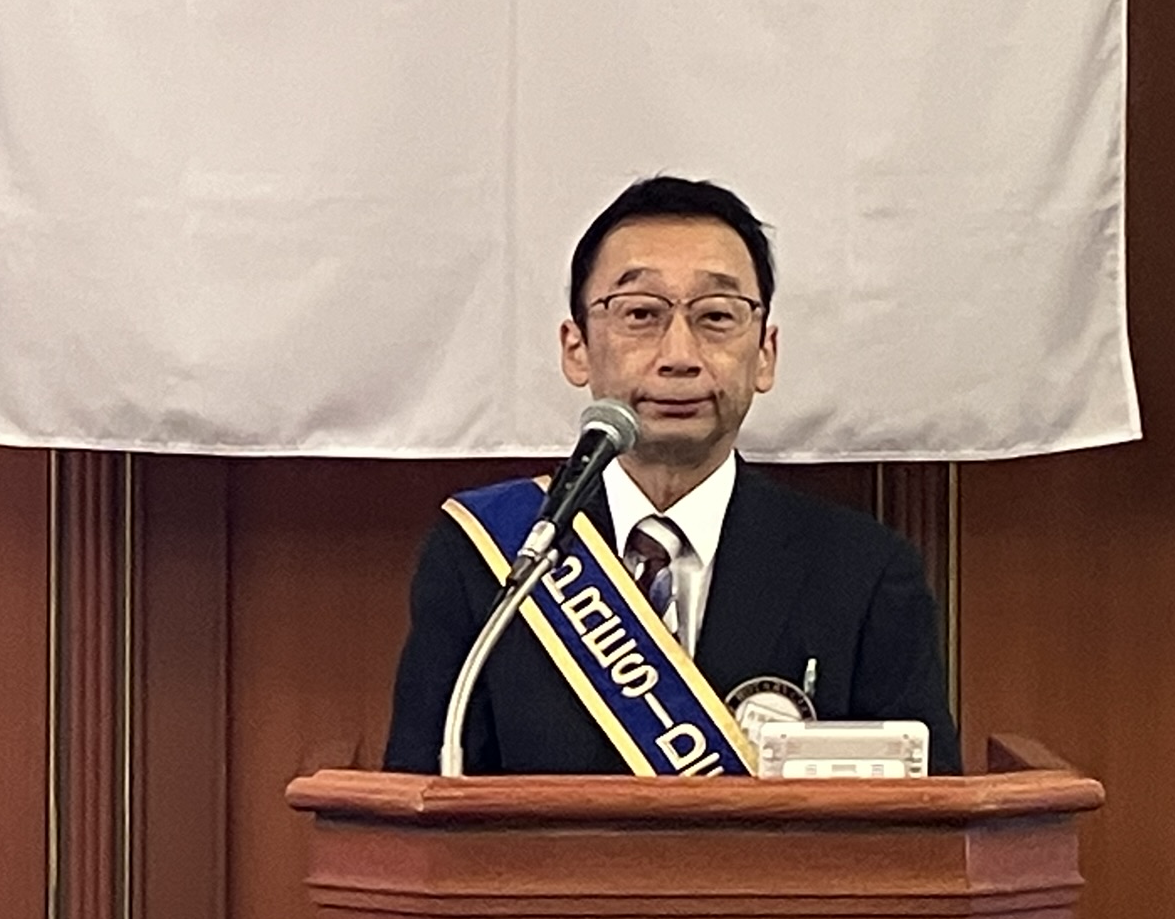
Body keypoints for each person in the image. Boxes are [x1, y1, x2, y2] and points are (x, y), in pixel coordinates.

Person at [383, 176, 959, 775]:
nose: (679, 355)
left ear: (765, 354)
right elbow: (422, 791)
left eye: (716, 316)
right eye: (640, 314)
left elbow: (925, 815)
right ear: (576, 348)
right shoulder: (489, 555)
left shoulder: (863, 571)